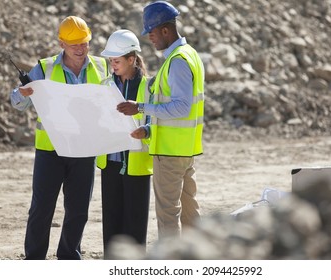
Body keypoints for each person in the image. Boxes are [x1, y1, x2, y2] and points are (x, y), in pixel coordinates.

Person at [10, 16, 109, 260]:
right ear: (61, 43)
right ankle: (34, 260)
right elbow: (17, 102)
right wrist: (23, 94)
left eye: (84, 43)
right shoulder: (45, 68)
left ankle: (68, 258)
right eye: (74, 44)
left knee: (78, 211)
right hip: (50, 151)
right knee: (41, 209)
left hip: (84, 149)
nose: (80, 49)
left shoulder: (102, 67)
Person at [117, 1, 205, 239]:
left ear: (165, 30)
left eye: (152, 33)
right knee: (189, 212)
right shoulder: (190, 55)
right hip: (185, 150)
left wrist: (140, 107)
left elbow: (181, 107)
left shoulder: (177, 61)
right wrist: (148, 128)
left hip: (170, 153)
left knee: (168, 215)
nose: (150, 39)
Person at [96, 29, 152, 257]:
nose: (113, 65)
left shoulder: (148, 87)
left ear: (132, 59)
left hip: (137, 166)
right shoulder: (105, 84)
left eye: (117, 61)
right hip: (110, 162)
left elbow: (155, 121)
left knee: (135, 224)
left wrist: (146, 131)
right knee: (111, 222)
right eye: (110, 61)